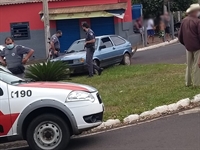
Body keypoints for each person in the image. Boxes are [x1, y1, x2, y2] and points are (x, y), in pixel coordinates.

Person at [178, 3, 200, 87]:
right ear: (195, 12)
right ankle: (197, 83)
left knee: (189, 65)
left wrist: (186, 44)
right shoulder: (197, 22)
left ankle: (188, 82)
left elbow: (180, 36)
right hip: (197, 47)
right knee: (197, 65)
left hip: (188, 47)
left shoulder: (184, 21)